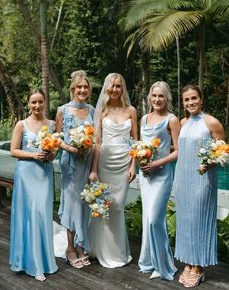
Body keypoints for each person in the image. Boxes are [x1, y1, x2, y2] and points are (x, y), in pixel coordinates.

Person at [174, 84, 225, 288]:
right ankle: (188, 262)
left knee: (199, 220)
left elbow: (223, 153)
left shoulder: (212, 122)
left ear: (201, 99)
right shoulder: (182, 122)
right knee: (185, 221)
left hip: (203, 180)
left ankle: (199, 267)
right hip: (183, 178)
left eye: (194, 98)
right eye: (186, 100)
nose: (190, 102)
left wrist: (210, 162)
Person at [88, 73, 137, 268]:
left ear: (122, 88)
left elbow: (135, 140)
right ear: (107, 88)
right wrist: (93, 170)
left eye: (118, 86)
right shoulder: (102, 110)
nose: (115, 89)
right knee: (105, 205)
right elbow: (97, 142)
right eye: (112, 86)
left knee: (118, 206)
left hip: (124, 162)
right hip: (105, 162)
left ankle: (117, 251)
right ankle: (101, 249)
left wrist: (134, 165)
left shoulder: (131, 110)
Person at [9, 89, 58, 282]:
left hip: (44, 174)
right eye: (33, 102)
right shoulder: (21, 124)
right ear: (28, 104)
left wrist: (50, 155)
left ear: (45, 102)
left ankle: (45, 262)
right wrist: (33, 155)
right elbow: (13, 151)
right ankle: (31, 264)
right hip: (26, 174)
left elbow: (54, 152)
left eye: (40, 102)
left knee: (42, 214)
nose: (37, 106)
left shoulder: (51, 124)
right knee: (28, 215)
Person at [138, 81, 180, 280]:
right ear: (149, 97)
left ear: (167, 98)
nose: (157, 99)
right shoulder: (144, 118)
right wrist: (138, 162)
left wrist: (157, 163)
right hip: (145, 176)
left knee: (155, 219)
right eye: (154, 96)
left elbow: (178, 152)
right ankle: (149, 261)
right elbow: (139, 146)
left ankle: (163, 265)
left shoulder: (172, 119)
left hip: (162, 174)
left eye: (161, 96)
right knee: (147, 218)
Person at [56, 70, 94, 268]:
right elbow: (57, 138)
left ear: (89, 90)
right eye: (79, 87)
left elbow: (96, 140)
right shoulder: (62, 110)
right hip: (70, 164)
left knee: (84, 204)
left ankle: (81, 245)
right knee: (72, 204)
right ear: (72, 89)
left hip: (86, 163)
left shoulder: (92, 110)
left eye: (85, 87)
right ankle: (70, 248)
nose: (82, 90)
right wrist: (71, 148)